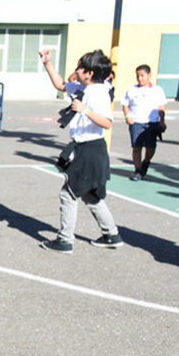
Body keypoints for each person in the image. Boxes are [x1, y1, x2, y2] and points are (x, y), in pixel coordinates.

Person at [38, 48, 123, 253]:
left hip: (90, 148)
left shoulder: (99, 92)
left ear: (89, 73)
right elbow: (60, 84)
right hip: (85, 148)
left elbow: (107, 123)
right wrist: (47, 63)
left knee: (68, 194)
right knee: (91, 195)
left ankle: (65, 239)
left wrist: (85, 110)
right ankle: (112, 234)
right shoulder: (83, 88)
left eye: (80, 67)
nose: (76, 71)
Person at [121, 64, 167, 181]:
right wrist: (127, 117)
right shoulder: (131, 90)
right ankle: (138, 170)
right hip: (136, 122)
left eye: (142, 75)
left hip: (152, 123)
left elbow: (161, 107)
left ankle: (146, 162)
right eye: (138, 76)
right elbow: (125, 105)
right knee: (136, 147)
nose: (140, 78)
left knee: (150, 147)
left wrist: (162, 121)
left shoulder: (157, 90)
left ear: (149, 75)